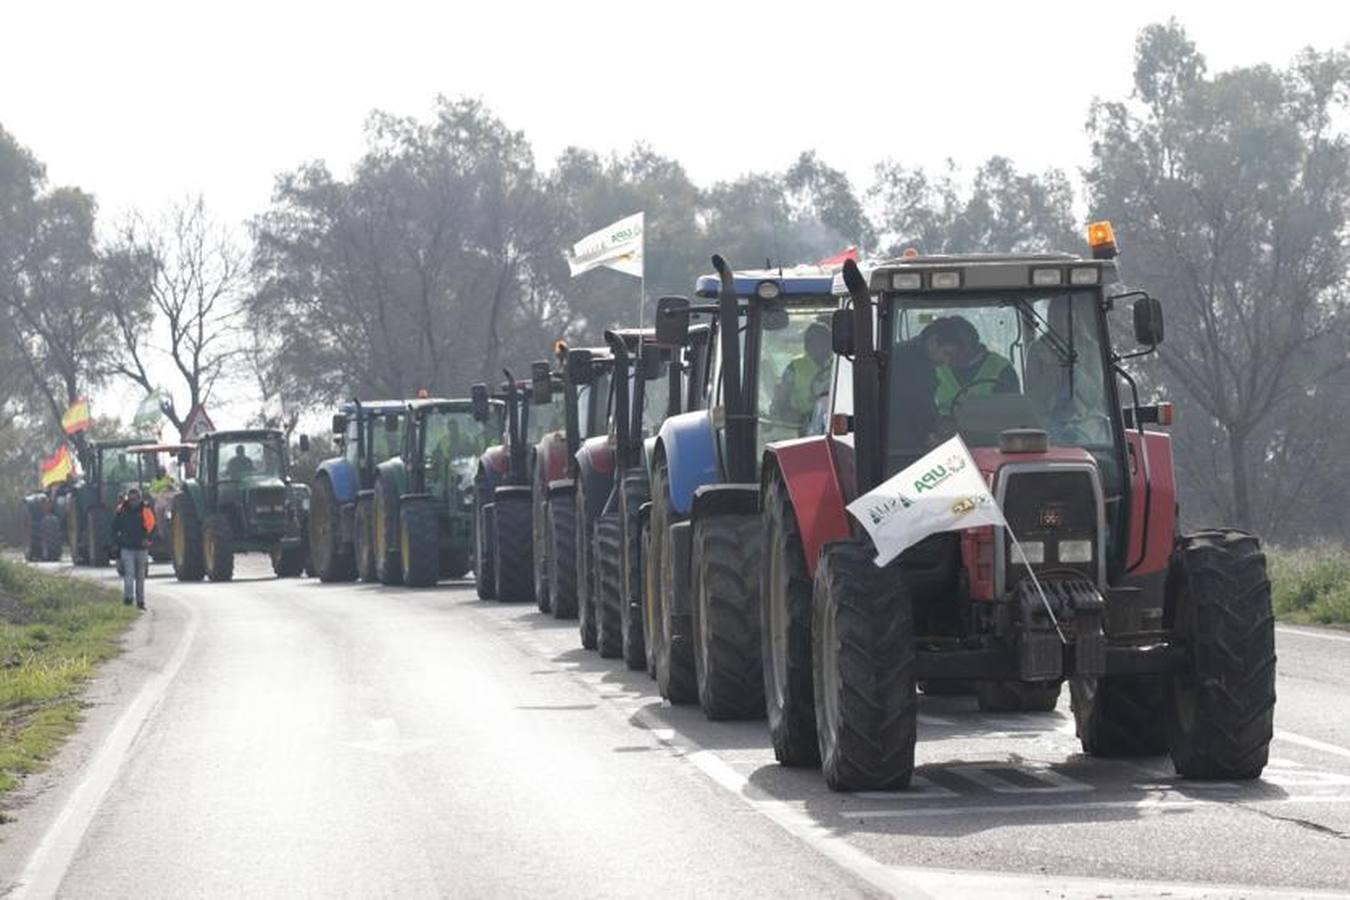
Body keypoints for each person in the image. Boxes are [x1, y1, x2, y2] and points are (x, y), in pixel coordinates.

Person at [924, 316, 1020, 415]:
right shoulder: (935, 368)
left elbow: (1012, 415)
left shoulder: (1002, 369)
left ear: (968, 346)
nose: (947, 361)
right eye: (946, 352)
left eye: (952, 353)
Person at [772, 321, 834, 432]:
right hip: (803, 425)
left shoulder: (838, 365)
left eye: (826, 342)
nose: (823, 346)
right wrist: (792, 417)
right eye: (818, 341)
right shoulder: (794, 367)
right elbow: (781, 400)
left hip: (834, 422)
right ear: (808, 344)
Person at [111, 488, 155, 609]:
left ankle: (140, 602)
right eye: (131, 499)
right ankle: (128, 599)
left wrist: (148, 539)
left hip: (142, 549)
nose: (133, 502)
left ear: (140, 498)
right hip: (127, 549)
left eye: (135, 499)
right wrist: (117, 543)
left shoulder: (145, 511)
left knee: (141, 577)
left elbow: (152, 527)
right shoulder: (121, 510)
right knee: (129, 575)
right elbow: (114, 528)